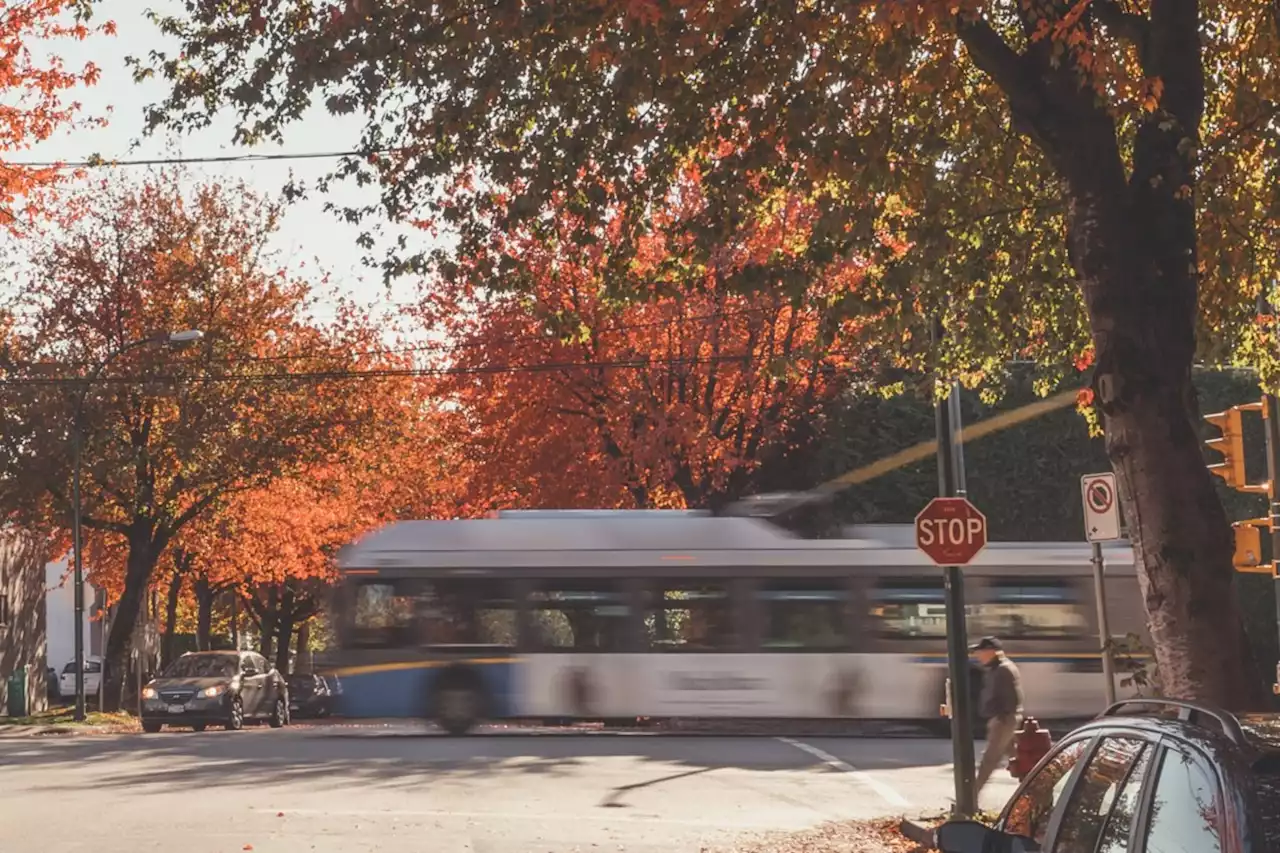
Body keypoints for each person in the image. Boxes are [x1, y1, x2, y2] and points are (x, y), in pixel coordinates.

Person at [971, 636, 1024, 797]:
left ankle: (971, 796)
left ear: (991, 652)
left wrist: (1003, 718)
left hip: (1003, 721)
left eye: (981, 652)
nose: (978, 655)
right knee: (1018, 759)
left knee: (990, 759)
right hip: (1002, 719)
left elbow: (1013, 697)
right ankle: (1038, 789)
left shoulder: (1003, 669)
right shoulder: (997, 668)